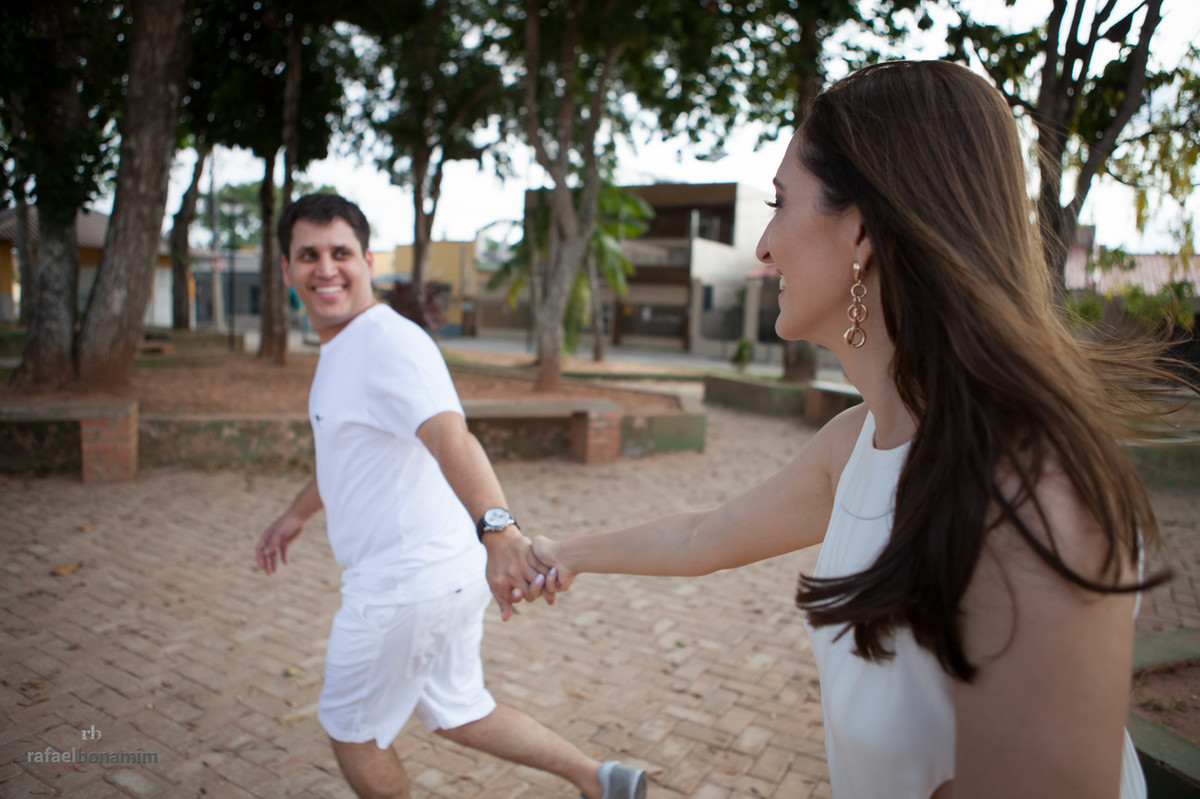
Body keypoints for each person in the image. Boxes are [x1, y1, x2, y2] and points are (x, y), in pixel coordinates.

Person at [525, 60, 1189, 798]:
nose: (764, 245)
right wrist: (563, 552)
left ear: (864, 229)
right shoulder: (860, 440)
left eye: (780, 203)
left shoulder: (1030, 494)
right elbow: (702, 536)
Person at [253, 193, 647, 799]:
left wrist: (502, 532)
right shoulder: (343, 347)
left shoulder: (385, 342)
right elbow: (347, 453)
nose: (325, 269)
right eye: (308, 255)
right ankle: (601, 780)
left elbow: (450, 435)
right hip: (438, 576)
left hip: (403, 584)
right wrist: (295, 514)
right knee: (461, 712)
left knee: (352, 730)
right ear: (286, 268)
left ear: (366, 261)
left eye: (341, 253)